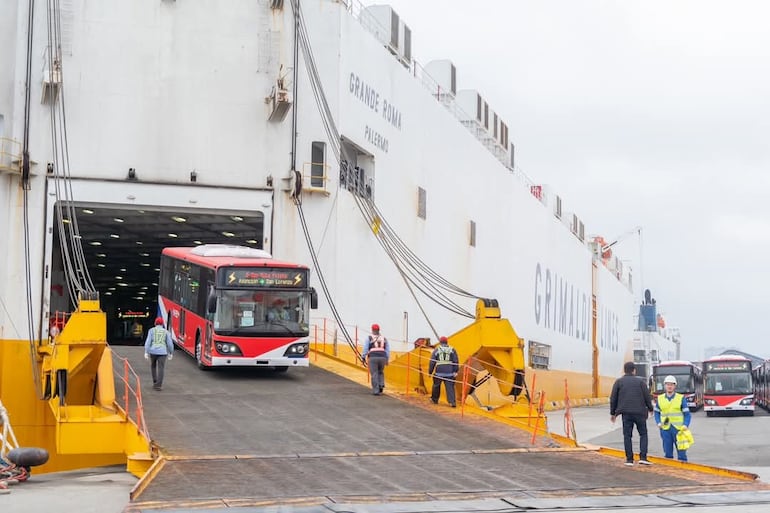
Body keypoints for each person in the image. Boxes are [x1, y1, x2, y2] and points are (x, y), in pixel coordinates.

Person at [610, 361, 654, 466]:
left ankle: (629, 459)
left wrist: (613, 413)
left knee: (627, 436)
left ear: (624, 370)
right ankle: (643, 457)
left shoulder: (619, 382)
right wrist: (650, 408)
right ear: (634, 370)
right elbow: (647, 396)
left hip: (626, 413)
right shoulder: (640, 382)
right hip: (640, 413)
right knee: (643, 434)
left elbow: (613, 398)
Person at [654, 375, 692, 461]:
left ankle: (683, 471)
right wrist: (658, 422)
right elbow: (656, 412)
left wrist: (685, 424)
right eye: (667, 384)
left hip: (679, 429)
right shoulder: (660, 398)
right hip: (665, 429)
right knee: (667, 453)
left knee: (681, 453)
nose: (669, 386)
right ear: (665, 386)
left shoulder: (681, 398)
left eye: (671, 384)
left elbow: (687, 414)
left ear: (675, 386)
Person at [144, 317, 174, 391]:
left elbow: (148, 342)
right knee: (161, 368)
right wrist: (171, 352)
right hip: (163, 352)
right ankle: (158, 385)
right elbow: (170, 344)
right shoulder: (166, 332)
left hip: (153, 351)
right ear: (162, 324)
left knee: (153, 366)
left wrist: (146, 352)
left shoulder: (151, 331)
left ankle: (155, 381)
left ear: (155, 323)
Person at [429, 336, 459, 407]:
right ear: (447, 342)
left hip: (439, 372)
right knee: (450, 387)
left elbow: (432, 362)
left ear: (440, 342)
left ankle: (434, 399)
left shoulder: (437, 349)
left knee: (436, 385)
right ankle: (452, 402)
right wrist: (455, 371)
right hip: (449, 372)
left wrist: (430, 372)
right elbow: (456, 361)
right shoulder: (452, 349)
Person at [361, 323, 389, 395]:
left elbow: (365, 348)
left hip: (373, 357)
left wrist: (363, 357)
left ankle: (376, 391)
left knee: (374, 374)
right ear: (379, 330)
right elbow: (387, 350)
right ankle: (381, 384)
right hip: (382, 357)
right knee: (380, 371)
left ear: (372, 330)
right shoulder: (384, 338)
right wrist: (387, 359)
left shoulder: (369, 338)